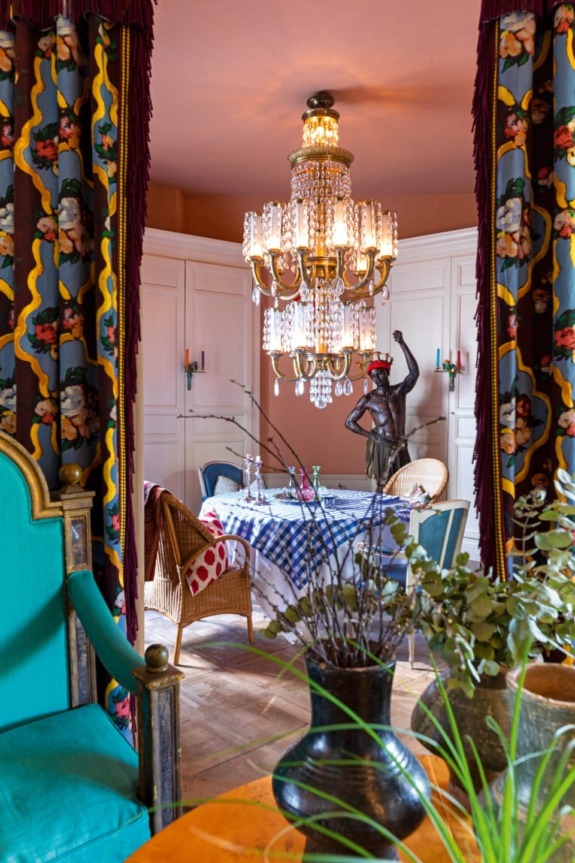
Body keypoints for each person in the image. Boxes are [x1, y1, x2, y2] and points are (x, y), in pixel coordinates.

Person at [345, 330, 419, 491]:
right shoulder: (368, 399)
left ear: (387, 373)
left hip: (400, 445)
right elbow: (349, 422)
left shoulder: (399, 392)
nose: (377, 378)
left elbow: (414, 373)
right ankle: (381, 516)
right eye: (373, 376)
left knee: (405, 486)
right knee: (384, 487)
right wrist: (369, 434)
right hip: (382, 445)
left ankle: (400, 516)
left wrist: (402, 343)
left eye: (380, 374)